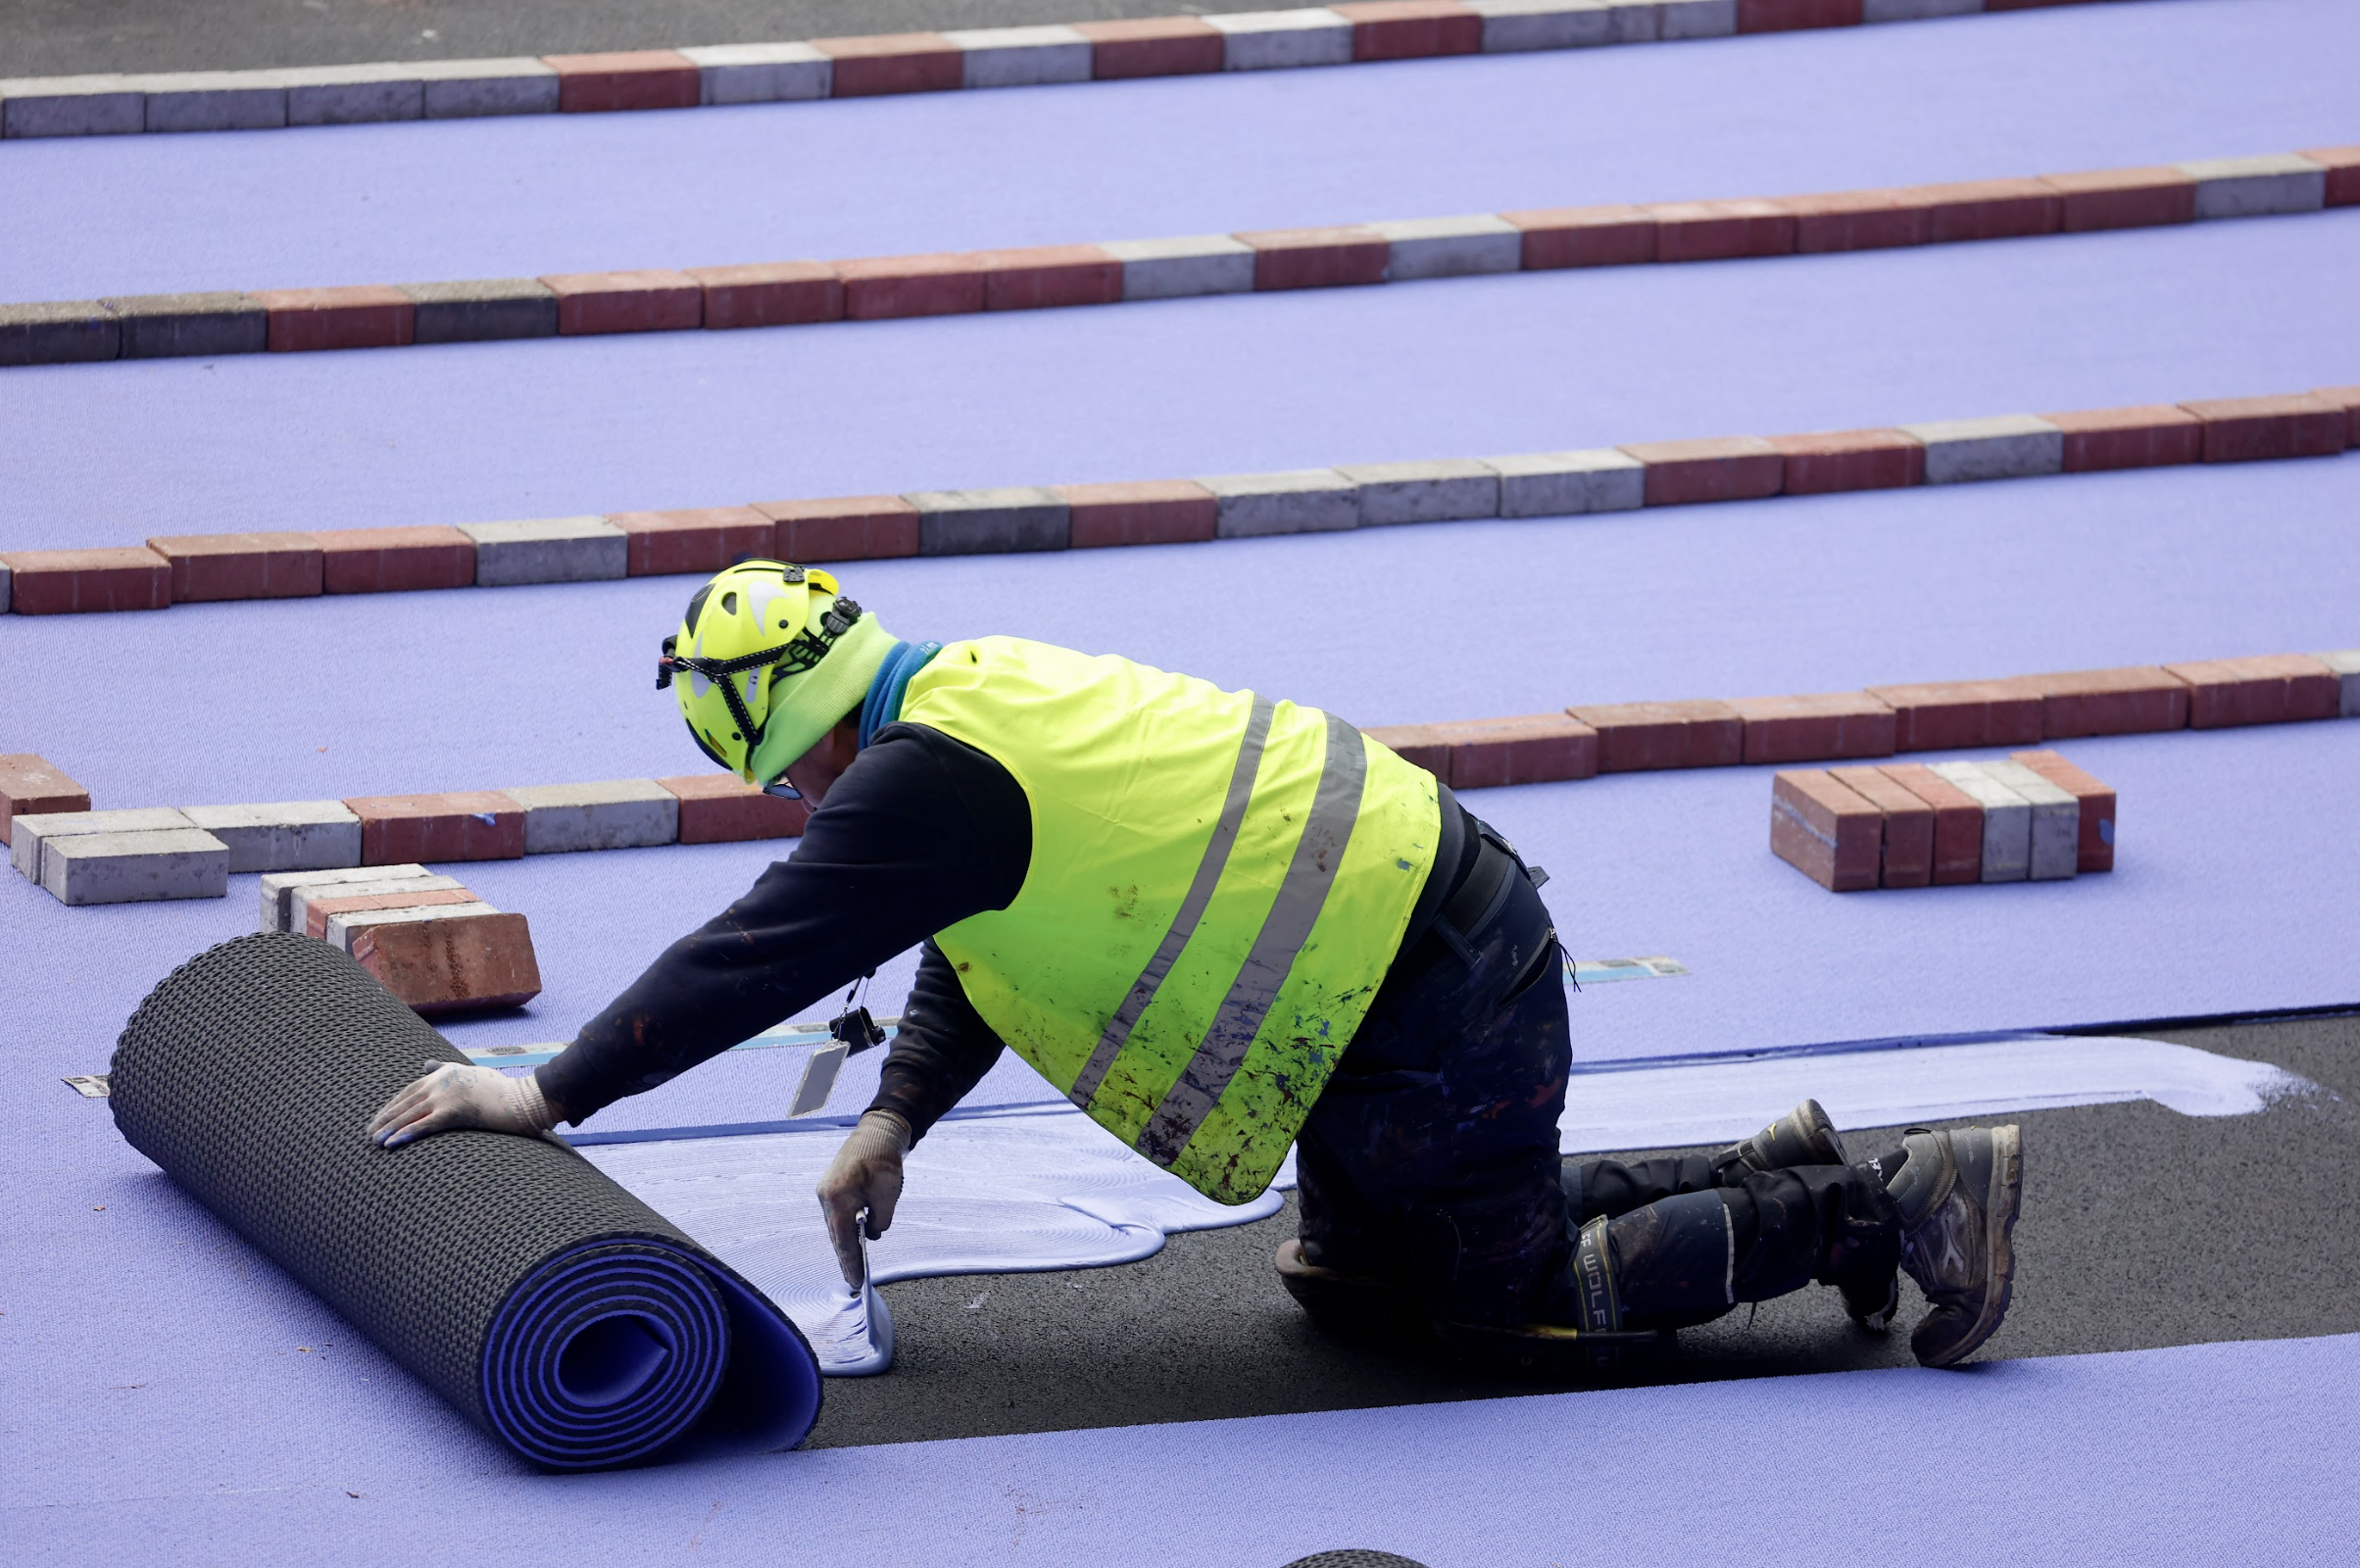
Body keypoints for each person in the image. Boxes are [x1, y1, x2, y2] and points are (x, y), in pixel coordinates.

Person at [367, 560, 2024, 1368]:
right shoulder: (965, 698)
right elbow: (994, 933)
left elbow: (751, 956)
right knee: (1349, 1280)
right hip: (1421, 961)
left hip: (1438, 993)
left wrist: (549, 1090)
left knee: (1501, 1312)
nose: (798, 806)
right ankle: (1767, 1165)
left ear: (786, 742)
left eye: (780, 778)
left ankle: (1880, 1205)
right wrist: (898, 1120)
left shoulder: (921, 780)